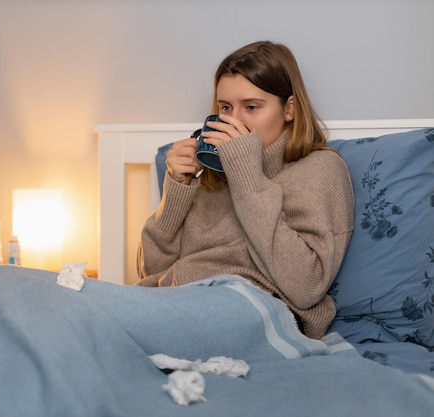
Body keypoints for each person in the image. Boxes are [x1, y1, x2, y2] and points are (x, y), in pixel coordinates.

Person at [136, 41, 355, 339]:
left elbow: (306, 286)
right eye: (225, 107)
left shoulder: (321, 168)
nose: (233, 120)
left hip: (252, 312)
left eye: (251, 107)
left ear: (289, 109)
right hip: (179, 305)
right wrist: (177, 185)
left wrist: (246, 175)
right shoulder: (211, 174)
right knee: (60, 294)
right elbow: (152, 272)